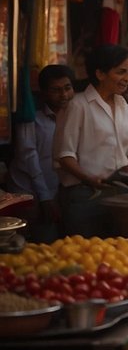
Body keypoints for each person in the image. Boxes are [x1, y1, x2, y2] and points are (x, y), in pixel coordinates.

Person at [54, 44, 128, 237]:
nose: (127, 78)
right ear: (100, 74)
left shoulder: (127, 109)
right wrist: (90, 179)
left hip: (121, 194)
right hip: (84, 195)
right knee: (86, 255)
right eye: (121, 72)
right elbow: (64, 156)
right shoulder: (78, 106)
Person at [10, 65, 74, 241]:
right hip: (27, 192)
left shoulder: (74, 116)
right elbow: (29, 157)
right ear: (44, 92)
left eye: (67, 88)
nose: (63, 95)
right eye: (56, 90)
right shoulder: (31, 118)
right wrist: (45, 197)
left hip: (55, 192)